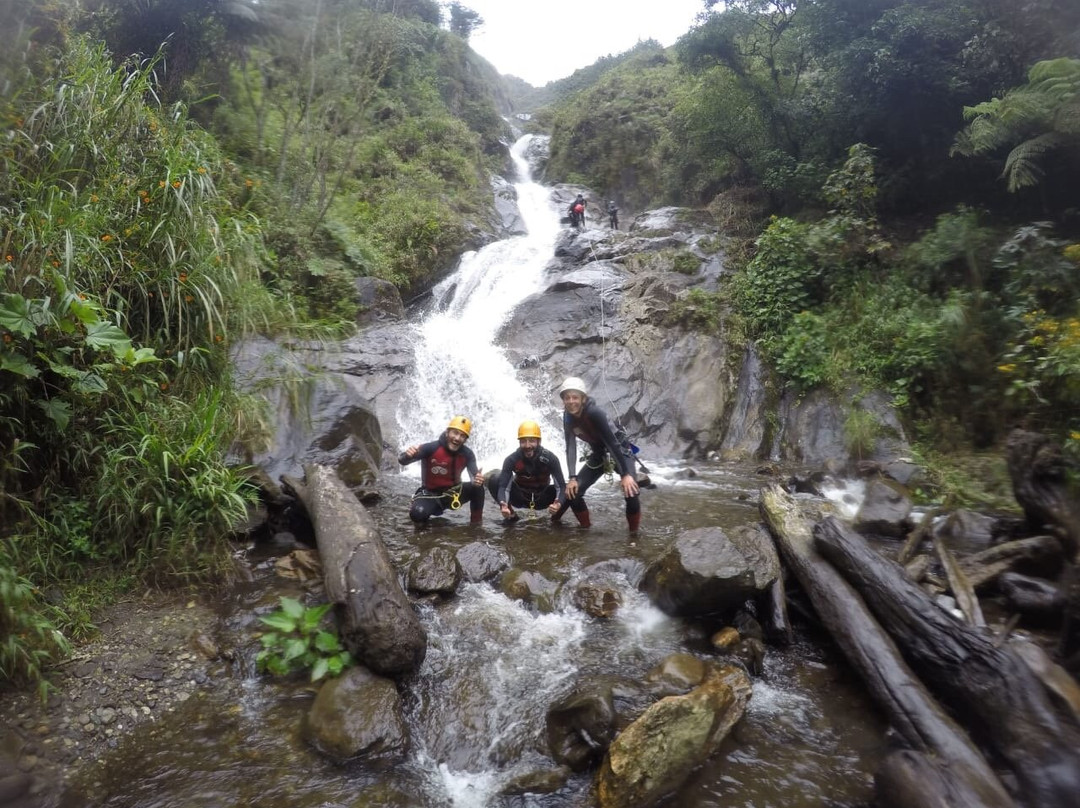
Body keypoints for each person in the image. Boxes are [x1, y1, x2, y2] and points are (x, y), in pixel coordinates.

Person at [553, 377, 641, 531]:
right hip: (598, 454)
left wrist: (626, 474)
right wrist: (572, 478)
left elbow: (613, 444)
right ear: (563, 401)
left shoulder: (594, 413)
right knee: (574, 492)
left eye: (575, 397)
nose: (571, 401)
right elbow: (571, 446)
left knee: (631, 492)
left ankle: (634, 534)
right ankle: (585, 529)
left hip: (619, 451)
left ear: (583, 398)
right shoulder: (567, 417)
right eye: (567, 398)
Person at [399, 415, 485, 525]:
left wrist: (477, 480)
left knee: (478, 487)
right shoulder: (431, 448)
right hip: (431, 495)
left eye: (463, 436)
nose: (457, 438)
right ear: (447, 432)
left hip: (454, 493)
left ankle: (476, 525)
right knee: (417, 514)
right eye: (455, 433)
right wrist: (407, 455)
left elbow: (474, 477)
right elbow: (402, 461)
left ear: (465, 440)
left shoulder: (467, 454)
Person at [488, 420, 568, 524]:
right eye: (523, 441)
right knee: (495, 479)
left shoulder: (550, 459)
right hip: (521, 497)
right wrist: (503, 504)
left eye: (531, 441)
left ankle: (555, 519)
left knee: (571, 490)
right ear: (519, 442)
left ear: (539, 442)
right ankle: (511, 516)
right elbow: (504, 487)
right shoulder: (512, 460)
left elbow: (561, 487)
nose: (527, 445)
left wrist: (559, 503)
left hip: (542, 498)